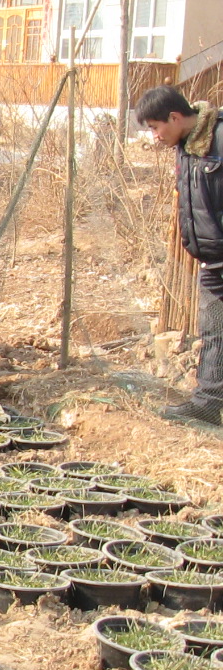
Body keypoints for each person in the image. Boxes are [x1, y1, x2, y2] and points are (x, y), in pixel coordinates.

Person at [138, 85, 223, 426]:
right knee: (214, 332)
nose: (156, 137)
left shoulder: (218, 139)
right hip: (213, 261)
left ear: (174, 117)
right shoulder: (187, 146)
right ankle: (208, 404)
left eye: (157, 127)